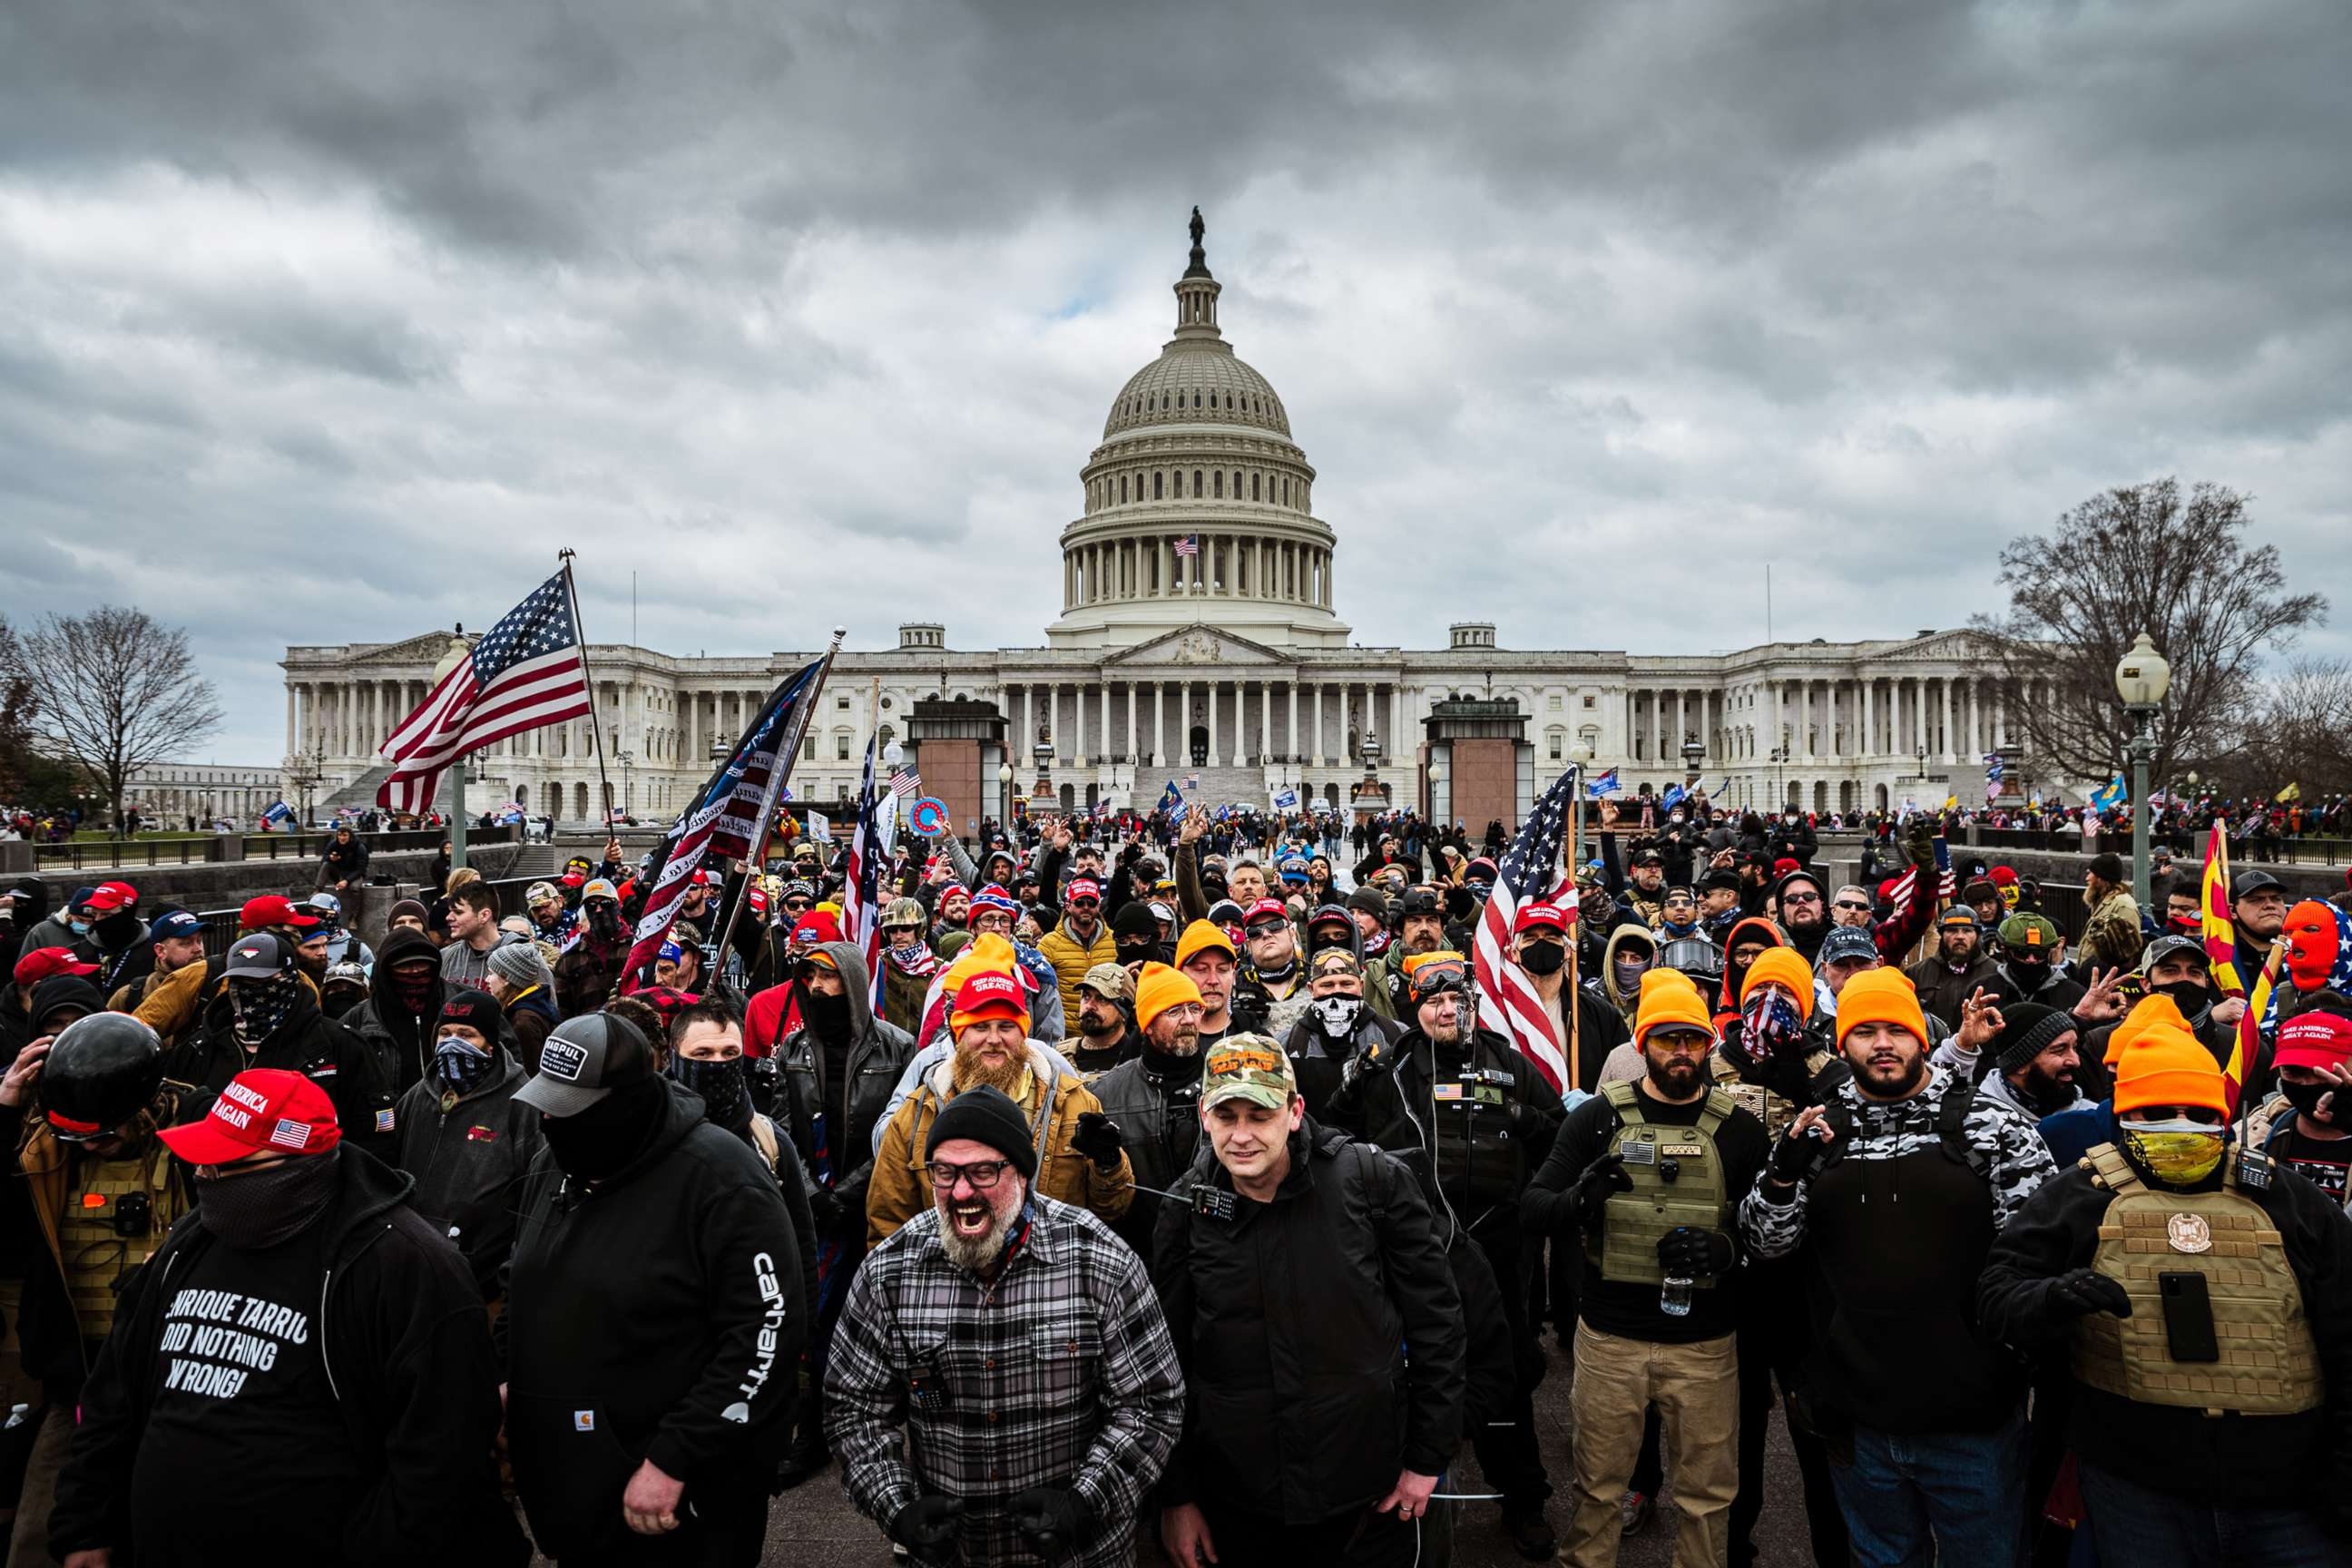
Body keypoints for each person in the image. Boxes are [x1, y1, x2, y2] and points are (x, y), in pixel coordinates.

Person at [48, 1067, 524, 1566]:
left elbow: (443, 1456)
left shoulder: (407, 1266)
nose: (202, 1175)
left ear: (293, 1162)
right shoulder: (188, 1244)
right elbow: (112, 1395)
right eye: (202, 1160)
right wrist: (85, 1523)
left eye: (224, 1162)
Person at [1978, 1012, 2352, 1563]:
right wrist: (2054, 1299)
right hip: (2137, 1490)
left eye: (2198, 1113)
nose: (2180, 1126)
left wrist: (2344, 1472)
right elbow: (1997, 1294)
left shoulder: (2288, 1200)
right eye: (2157, 1114)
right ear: (2125, 1119)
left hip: (2288, 1494)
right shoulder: (2081, 1195)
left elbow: (2346, 1332)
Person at [1739, 968, 2058, 1568]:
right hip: (1860, 1422)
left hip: (1973, 1425)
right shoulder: (1818, 1131)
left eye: (1896, 1029)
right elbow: (1766, 1243)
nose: (1882, 1043)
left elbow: (2036, 1261)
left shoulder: (1996, 1130)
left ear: (1920, 1036)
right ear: (1842, 1044)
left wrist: (2007, 1363)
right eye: (1865, 1031)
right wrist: (1783, 1171)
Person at [826, 1083, 1186, 1566]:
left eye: (982, 1171)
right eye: (944, 1173)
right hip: (955, 1555)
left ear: (1021, 1174)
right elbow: (853, 1408)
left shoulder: (1099, 1260)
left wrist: (1086, 1500)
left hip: (1081, 1553)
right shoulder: (890, 1270)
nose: (961, 1192)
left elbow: (1152, 1402)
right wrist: (898, 1507)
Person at [504, 1012, 804, 1564]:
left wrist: (676, 1456)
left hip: (680, 1497)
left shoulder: (721, 1176)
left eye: (572, 1109)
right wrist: (508, 1377)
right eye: (549, 1102)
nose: (550, 1120)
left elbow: (766, 1332)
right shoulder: (556, 1163)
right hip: (573, 1484)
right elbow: (525, 1276)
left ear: (624, 1103)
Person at [1153, 1036, 1466, 1568]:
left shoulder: (1373, 1183)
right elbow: (1165, 1367)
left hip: (1368, 1498)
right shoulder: (1185, 1210)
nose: (1243, 1135)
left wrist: (1426, 1460)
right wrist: (1177, 1497)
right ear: (1205, 1116)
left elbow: (1438, 1326)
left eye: (1260, 1113)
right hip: (1241, 1504)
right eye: (1226, 1115)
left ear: (1295, 1111)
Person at [1524, 969, 1769, 1568]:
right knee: (1598, 1491)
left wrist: (1726, 1250)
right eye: (1667, 1039)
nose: (1681, 1052)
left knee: (1708, 1499)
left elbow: (1774, 1230)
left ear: (1710, 1042)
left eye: (1692, 1039)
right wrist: (1580, 1200)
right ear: (1642, 1043)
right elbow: (1533, 1208)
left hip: (1704, 1344)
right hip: (1611, 1337)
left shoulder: (1739, 1129)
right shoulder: (1596, 1120)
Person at [1329, 949, 1566, 1557]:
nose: (1446, 1010)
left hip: (1499, 1244)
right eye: (1434, 1001)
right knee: (1416, 1365)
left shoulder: (1508, 1061)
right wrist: (1352, 1089)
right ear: (1417, 1007)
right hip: (1417, 1249)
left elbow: (1560, 1138)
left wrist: (1522, 1116)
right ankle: (1404, 1485)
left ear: (1471, 1004)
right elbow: (1337, 1140)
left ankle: (1525, 1498)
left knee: (1506, 1371)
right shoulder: (1393, 1065)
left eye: (1456, 1000)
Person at [0, 1013, 200, 1561]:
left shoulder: (196, 1129)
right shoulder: (41, 1149)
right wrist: (5, 1109)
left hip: (176, 1387)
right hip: (78, 1387)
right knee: (39, 1542)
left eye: (102, 1136)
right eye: (76, 1137)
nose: (88, 1148)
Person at [764, 942, 913, 1485]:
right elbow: (781, 1126)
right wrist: (809, 1191)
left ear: (849, 981)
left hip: (866, 1205)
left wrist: (846, 1193)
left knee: (866, 1320)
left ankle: (866, 1424)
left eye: (827, 977)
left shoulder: (896, 1048)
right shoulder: (794, 1049)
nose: (816, 988)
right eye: (808, 978)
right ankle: (815, 1428)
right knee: (811, 1320)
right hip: (809, 1208)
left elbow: (895, 1137)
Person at [867, 967, 1132, 1244]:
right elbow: (888, 1223)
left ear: (1023, 1034)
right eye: (980, 1026)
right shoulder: (918, 1113)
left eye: (1006, 1027)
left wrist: (1108, 1164)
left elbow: (1113, 1209)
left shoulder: (1073, 1105)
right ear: (959, 1034)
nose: (993, 1040)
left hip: (1051, 1277)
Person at [167, 931, 397, 1154]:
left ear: (289, 979)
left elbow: (375, 1134)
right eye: (240, 982)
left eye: (263, 981)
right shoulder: (199, 1048)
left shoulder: (339, 1045)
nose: (250, 991)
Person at [391, 988, 544, 1302]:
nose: (452, 1043)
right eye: (444, 1033)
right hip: (408, 1265)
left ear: (490, 1042)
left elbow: (534, 1192)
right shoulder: (417, 1096)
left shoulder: (521, 1102)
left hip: (480, 1279)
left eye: (466, 1034)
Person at [1087, 963, 1210, 1256]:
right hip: (1141, 1255)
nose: (1190, 1019)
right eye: (1174, 1011)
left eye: (1195, 1008)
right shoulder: (1105, 1095)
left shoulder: (1228, 1080)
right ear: (1148, 1025)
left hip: (1216, 1257)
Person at [1284, 946, 1403, 1117]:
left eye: (1346, 984)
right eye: (1327, 985)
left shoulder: (1394, 1033)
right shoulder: (1289, 1042)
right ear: (1311, 990)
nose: (1337, 992)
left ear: (1361, 986)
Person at [341, 926, 446, 1096]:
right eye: (404, 967)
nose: (415, 972)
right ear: (386, 971)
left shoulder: (460, 1004)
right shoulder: (357, 1020)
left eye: (421, 964)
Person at [1905, 907, 2006, 1028]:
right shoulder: (1916, 973)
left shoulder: (1997, 972)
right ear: (1941, 935)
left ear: (1977, 935)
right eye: (1952, 931)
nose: (1960, 936)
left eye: (1967, 931)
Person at [553, 878, 632, 1016]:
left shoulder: (636, 949)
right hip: (587, 1034)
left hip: (631, 1030)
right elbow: (562, 1013)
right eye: (591, 905)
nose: (599, 910)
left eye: (605, 903)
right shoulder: (569, 960)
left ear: (617, 905)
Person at [482, 939, 559, 1070]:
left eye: (491, 973)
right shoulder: (531, 1007)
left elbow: (528, 1071)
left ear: (506, 978)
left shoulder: (523, 1022)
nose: (487, 980)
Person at [1067, 960, 1138, 1076]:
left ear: (1124, 1009)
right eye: (1086, 996)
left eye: (1102, 999)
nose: (1090, 1006)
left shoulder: (1137, 1062)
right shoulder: (1058, 1057)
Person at [2079, 852, 2144, 977]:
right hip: (2092, 974)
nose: (2087, 878)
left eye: (2090, 873)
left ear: (2101, 878)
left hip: (2107, 977)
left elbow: (2129, 949)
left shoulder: (2123, 905)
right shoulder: (2101, 901)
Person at [437, 882, 503, 988]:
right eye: (450, 912)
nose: (448, 917)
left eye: (458, 912)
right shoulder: (445, 956)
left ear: (484, 915)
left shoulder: (521, 957)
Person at [317, 822, 371, 928]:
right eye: (340, 835)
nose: (342, 838)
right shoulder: (334, 844)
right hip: (340, 872)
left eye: (345, 835)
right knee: (327, 864)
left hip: (355, 874)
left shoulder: (360, 847)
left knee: (355, 888)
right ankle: (318, 890)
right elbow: (323, 860)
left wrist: (346, 880)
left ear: (350, 836)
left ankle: (353, 917)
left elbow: (361, 869)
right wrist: (330, 858)